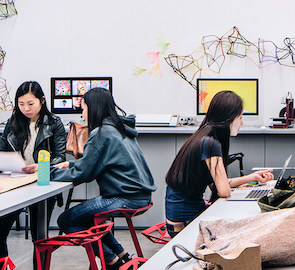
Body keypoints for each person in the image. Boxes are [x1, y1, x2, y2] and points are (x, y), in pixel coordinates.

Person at [51, 88, 156, 270]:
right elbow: (95, 163)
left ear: (93, 108)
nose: (82, 115)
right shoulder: (120, 129)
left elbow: (84, 173)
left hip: (124, 197)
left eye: (83, 109)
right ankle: (122, 256)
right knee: (88, 220)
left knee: (66, 220)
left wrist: (48, 174)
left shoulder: (101, 133)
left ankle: (111, 262)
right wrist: (70, 165)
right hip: (142, 196)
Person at [165, 91, 274, 237]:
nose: (242, 123)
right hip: (185, 223)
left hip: (179, 219)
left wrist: (252, 177)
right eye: (240, 118)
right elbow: (223, 191)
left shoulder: (203, 137)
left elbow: (216, 185)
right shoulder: (210, 144)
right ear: (228, 118)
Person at [0, 81, 67, 269]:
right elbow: (2, 152)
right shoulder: (13, 122)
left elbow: (60, 157)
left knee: (39, 237)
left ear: (42, 101)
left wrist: (40, 166)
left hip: (42, 183)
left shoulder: (54, 123)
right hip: (15, 183)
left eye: (31, 104)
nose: (26, 109)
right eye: (21, 104)